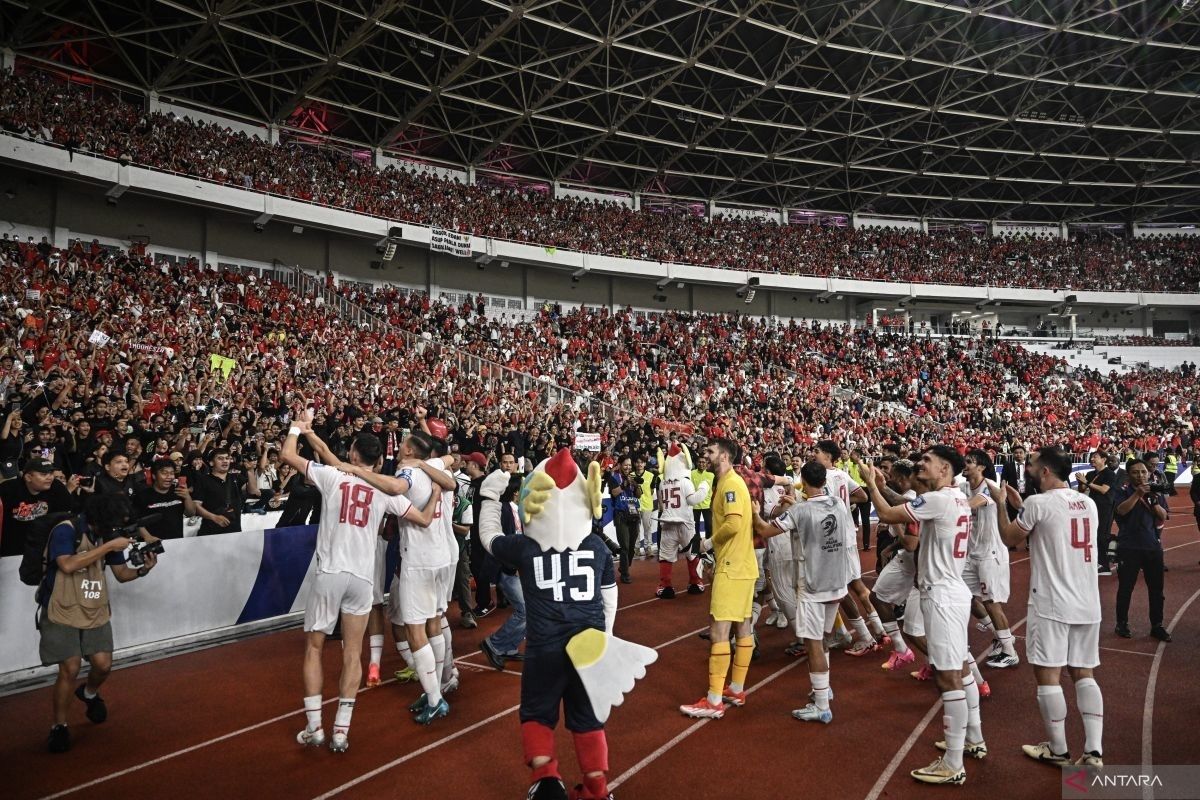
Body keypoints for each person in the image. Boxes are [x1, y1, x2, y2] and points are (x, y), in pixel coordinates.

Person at [281, 412, 439, 751]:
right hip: (362, 579)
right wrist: (438, 487)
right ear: (380, 460)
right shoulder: (384, 489)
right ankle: (341, 730)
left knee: (314, 647)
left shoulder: (333, 476)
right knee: (353, 652)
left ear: (352, 455)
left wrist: (298, 427)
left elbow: (287, 456)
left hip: (331, 572)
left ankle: (314, 727)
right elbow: (424, 519)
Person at [476, 449, 619, 800]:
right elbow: (610, 597)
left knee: (538, 715)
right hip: (588, 646)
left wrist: (490, 495)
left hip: (544, 648)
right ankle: (597, 790)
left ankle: (546, 780)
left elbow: (489, 537)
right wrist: (607, 640)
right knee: (588, 719)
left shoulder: (526, 548)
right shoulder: (597, 547)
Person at [863, 446, 982, 786]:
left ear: (944, 469)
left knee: (949, 678)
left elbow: (886, 514)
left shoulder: (940, 499)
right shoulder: (955, 497)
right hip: (954, 591)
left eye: (927, 461)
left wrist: (872, 483)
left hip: (941, 596)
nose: (921, 464)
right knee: (960, 668)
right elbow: (905, 504)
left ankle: (953, 762)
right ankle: (972, 739)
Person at [994, 446, 1104, 768]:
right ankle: (1094, 751)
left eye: (1031, 464)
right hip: (1087, 601)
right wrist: (1022, 506)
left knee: (1048, 675)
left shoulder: (1037, 503)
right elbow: (1056, 527)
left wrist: (1002, 505)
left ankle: (1058, 750)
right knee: (1084, 673)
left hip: (1051, 602)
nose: (1027, 468)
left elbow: (1008, 538)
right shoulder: (1088, 502)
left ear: (1045, 471)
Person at [38, 492, 158, 753]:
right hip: (62, 606)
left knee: (103, 665)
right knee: (68, 669)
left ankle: (89, 693)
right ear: (100, 518)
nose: (118, 527)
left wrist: (143, 569)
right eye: (114, 522)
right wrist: (107, 547)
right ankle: (59, 727)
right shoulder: (66, 530)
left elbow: (122, 575)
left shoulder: (109, 535)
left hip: (94, 605)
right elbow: (67, 565)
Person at [752, 460, 853, 724]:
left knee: (813, 643)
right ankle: (824, 688)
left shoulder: (800, 511)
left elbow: (765, 530)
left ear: (803, 482)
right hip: (836, 583)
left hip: (813, 586)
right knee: (824, 639)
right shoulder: (838, 504)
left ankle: (821, 705)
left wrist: (754, 512)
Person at [680, 437, 758, 719]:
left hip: (732, 567)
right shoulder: (730, 483)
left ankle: (713, 700)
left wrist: (708, 544)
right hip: (744, 566)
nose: (706, 456)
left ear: (724, 456)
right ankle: (735, 688)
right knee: (744, 626)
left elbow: (734, 523)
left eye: (711, 452)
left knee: (719, 629)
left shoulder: (730, 484)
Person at [960, 450, 1017, 670]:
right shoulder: (963, 486)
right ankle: (1000, 636)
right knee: (965, 596)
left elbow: (967, 506)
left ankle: (1010, 652)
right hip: (971, 553)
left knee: (991, 603)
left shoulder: (989, 486)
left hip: (991, 553)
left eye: (969, 462)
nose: (964, 465)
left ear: (981, 467)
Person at [1111, 459, 1170, 642]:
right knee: (1126, 588)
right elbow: (1121, 511)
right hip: (1129, 547)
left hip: (1152, 546)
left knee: (1156, 589)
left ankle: (1157, 625)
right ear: (1129, 474)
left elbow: (1164, 516)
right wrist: (1137, 494)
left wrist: (1154, 503)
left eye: (1143, 472)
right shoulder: (1122, 491)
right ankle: (1122, 623)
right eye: (1136, 472)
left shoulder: (1155, 493)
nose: (1141, 475)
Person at [653, 444, 708, 598]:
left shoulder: (663, 483)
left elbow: (662, 505)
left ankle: (666, 586)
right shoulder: (685, 482)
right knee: (693, 553)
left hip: (668, 523)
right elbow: (693, 500)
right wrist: (704, 487)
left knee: (665, 556)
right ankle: (696, 582)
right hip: (685, 523)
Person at [0, 458, 75, 558]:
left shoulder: (57, 487)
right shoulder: (7, 490)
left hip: (45, 550)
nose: (50, 477)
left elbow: (65, 518)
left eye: (51, 473)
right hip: (11, 553)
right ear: (28, 477)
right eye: (44, 474)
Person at [193, 448, 259, 535]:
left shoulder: (236, 477)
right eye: (220, 458)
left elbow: (253, 490)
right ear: (211, 463)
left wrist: (250, 471)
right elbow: (195, 507)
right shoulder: (203, 480)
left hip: (234, 531)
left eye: (227, 458)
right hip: (210, 533)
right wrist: (214, 517)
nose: (225, 461)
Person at [134, 459, 198, 540]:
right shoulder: (143, 496)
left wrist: (187, 497)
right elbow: (135, 522)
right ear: (154, 476)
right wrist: (148, 537)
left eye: (172, 473)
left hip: (176, 543)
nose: (169, 476)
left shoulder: (178, 491)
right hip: (154, 545)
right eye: (164, 473)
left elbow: (191, 513)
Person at [1076, 451, 1116, 576]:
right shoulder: (1090, 473)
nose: (1092, 459)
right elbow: (1082, 490)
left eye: (1095, 457)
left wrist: (1087, 483)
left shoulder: (1109, 474)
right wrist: (1081, 482)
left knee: (1102, 535)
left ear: (1104, 459)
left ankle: (1104, 566)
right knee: (1092, 535)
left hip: (1105, 507)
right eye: (1091, 457)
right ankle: (1097, 561)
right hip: (1092, 508)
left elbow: (1104, 490)